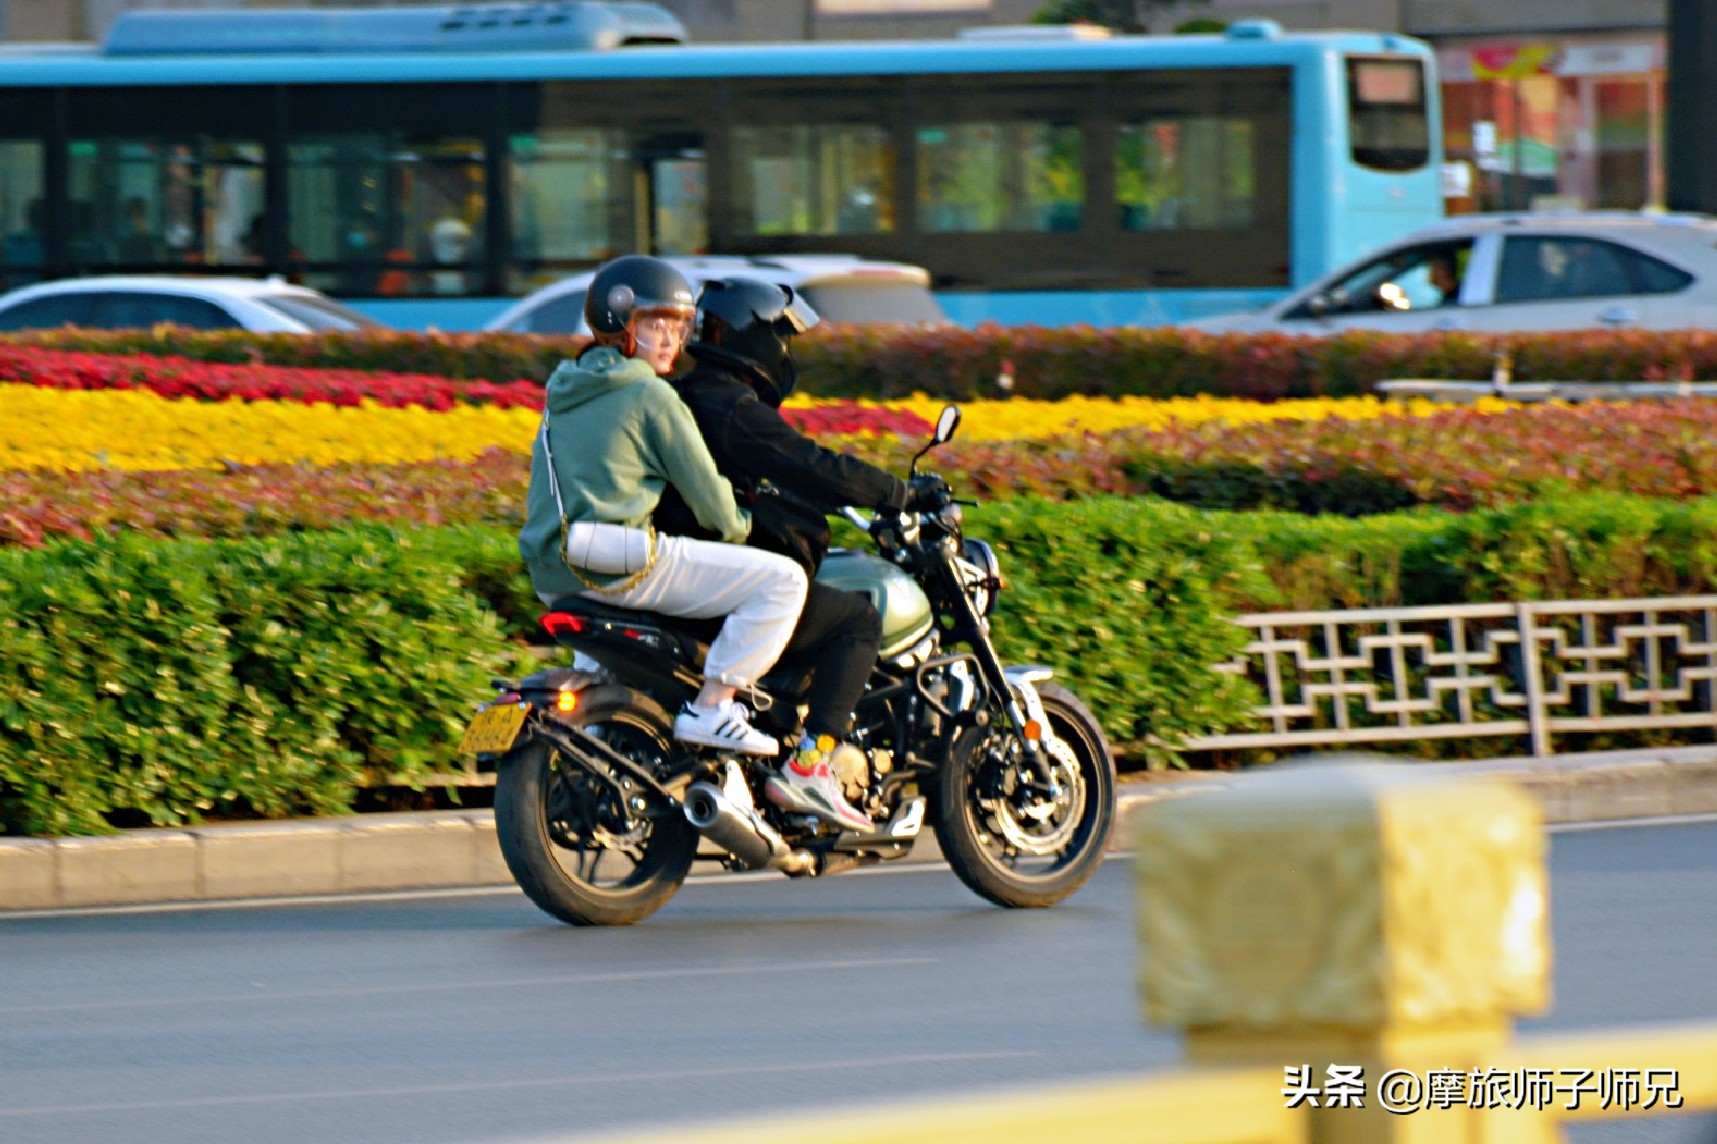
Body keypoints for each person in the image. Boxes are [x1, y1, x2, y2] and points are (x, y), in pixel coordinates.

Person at [518, 256, 829, 797]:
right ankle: (713, 707)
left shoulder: (564, 388)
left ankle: (599, 744)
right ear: (620, 325)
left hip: (553, 572)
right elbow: (712, 505)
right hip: (622, 565)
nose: (671, 341)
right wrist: (744, 524)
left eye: (680, 327)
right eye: (655, 325)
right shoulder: (650, 395)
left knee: (601, 677)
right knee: (783, 583)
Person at [656, 277, 941, 833]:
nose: (789, 350)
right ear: (756, 340)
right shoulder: (730, 406)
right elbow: (808, 462)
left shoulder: (685, 396)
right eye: (784, 337)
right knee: (858, 620)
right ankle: (811, 766)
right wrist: (899, 494)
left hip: (678, 572)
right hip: (715, 580)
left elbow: (767, 476)